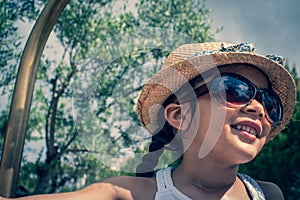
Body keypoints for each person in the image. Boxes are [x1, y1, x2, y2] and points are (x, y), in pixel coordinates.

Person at [1, 42, 296, 199]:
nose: (258, 107)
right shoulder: (127, 194)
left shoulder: (268, 195)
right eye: (235, 89)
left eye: (269, 102)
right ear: (180, 115)